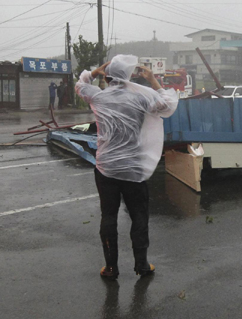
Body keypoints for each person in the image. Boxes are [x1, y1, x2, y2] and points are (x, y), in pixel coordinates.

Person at [75, 55, 178, 280]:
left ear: (108, 75)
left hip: (106, 168)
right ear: (129, 76)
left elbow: (80, 85)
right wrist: (153, 80)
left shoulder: (98, 97)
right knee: (139, 216)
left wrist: (94, 72)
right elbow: (168, 105)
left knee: (108, 216)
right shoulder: (141, 99)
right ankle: (141, 265)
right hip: (134, 168)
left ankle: (111, 268)